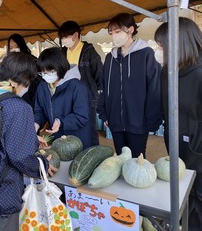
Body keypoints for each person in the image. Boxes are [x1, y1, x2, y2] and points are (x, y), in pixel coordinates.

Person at [0, 54, 56, 231]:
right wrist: (43, 166)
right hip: (1, 194)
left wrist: (30, 138)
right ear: (23, 79)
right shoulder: (18, 106)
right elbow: (21, 157)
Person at [154, 17, 202, 231]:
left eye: (161, 45)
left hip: (198, 150)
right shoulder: (167, 71)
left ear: (178, 44)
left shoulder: (199, 74)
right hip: (175, 144)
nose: (157, 49)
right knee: (181, 192)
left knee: (198, 197)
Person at [97, 13, 162, 158]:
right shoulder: (110, 58)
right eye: (111, 33)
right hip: (115, 121)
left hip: (138, 121)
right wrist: (104, 113)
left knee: (137, 160)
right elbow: (103, 86)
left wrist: (152, 119)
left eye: (118, 31)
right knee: (121, 158)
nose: (114, 36)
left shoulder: (146, 54)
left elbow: (154, 88)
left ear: (130, 30)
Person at [34, 47, 93, 149]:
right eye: (43, 73)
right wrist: (36, 123)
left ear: (60, 67)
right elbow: (40, 111)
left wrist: (61, 122)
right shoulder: (42, 87)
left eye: (50, 71)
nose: (46, 75)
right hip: (57, 139)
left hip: (78, 140)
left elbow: (81, 116)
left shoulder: (77, 87)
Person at [58, 20, 103, 146]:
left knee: (89, 130)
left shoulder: (89, 52)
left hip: (86, 99)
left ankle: (93, 154)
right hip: (67, 99)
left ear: (76, 35)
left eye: (66, 36)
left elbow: (99, 75)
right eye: (62, 37)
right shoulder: (62, 53)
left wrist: (98, 97)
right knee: (71, 128)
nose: (64, 40)